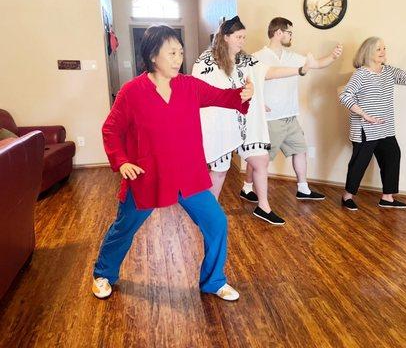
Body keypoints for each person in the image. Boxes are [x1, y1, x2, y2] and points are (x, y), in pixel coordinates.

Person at [92, 25, 253, 301]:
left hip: (188, 175)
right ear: (153, 56)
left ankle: (213, 281)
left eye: (180, 51)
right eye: (172, 53)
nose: (178, 58)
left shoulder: (189, 86)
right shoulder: (132, 92)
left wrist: (243, 94)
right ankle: (103, 273)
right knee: (124, 228)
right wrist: (121, 162)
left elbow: (222, 96)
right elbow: (111, 129)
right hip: (146, 176)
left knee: (216, 222)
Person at [193, 16, 318, 226]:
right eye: (239, 37)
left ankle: (263, 206)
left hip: (246, 120)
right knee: (220, 170)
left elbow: (268, 73)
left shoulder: (246, 59)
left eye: (244, 37)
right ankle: (209, 212)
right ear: (225, 37)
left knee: (260, 161)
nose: (243, 41)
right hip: (221, 122)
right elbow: (197, 91)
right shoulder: (206, 61)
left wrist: (300, 70)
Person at [339, 36, 406, 210]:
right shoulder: (361, 74)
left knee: (392, 156)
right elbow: (345, 95)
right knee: (360, 163)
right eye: (378, 49)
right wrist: (364, 115)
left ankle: (387, 198)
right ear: (368, 53)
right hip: (365, 128)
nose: (383, 52)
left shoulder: (389, 71)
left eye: (384, 48)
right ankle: (347, 196)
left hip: (385, 127)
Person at [246, 17, 343, 202]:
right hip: (270, 118)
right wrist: (256, 102)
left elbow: (315, 64)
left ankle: (303, 188)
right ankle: (247, 186)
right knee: (260, 158)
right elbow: (249, 83)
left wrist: (333, 56)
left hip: (291, 116)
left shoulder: (292, 57)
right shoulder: (257, 57)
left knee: (300, 150)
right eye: (289, 32)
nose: (291, 36)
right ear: (278, 33)